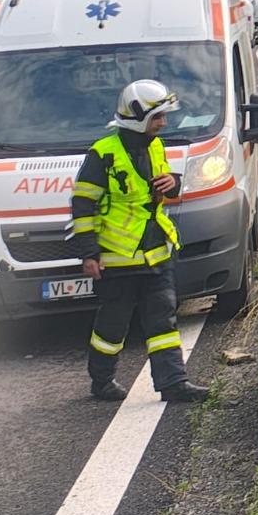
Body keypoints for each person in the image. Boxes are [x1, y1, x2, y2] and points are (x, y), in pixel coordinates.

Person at [69, 80, 210, 403]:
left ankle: (173, 382)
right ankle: (102, 381)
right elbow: (82, 205)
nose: (163, 123)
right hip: (118, 258)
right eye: (157, 117)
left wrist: (172, 183)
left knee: (163, 320)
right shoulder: (103, 153)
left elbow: (160, 188)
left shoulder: (155, 145)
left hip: (156, 252)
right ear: (137, 117)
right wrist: (89, 253)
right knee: (112, 326)